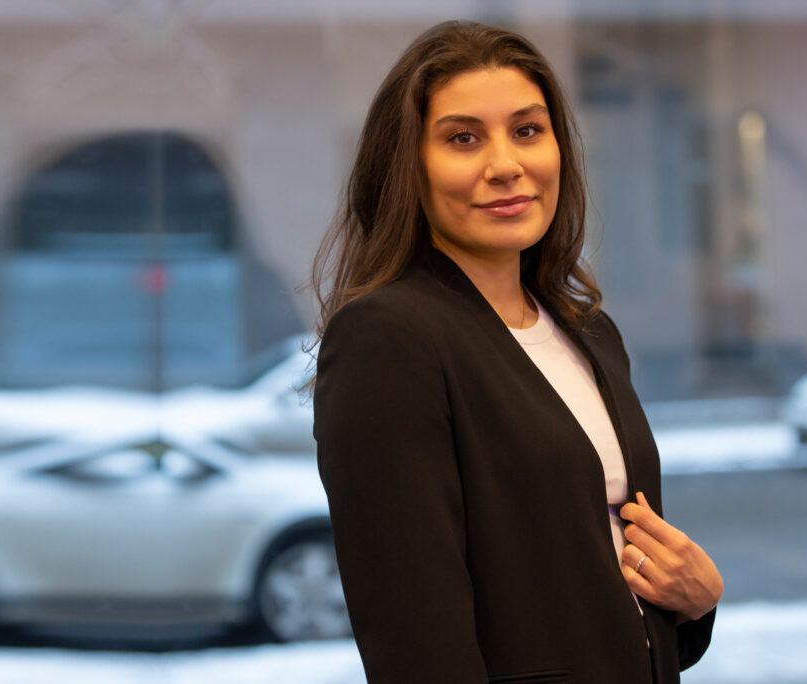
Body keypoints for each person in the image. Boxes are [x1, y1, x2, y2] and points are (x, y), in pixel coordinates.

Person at [309, 20, 722, 684]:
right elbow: (415, 638)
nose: (506, 165)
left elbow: (606, 605)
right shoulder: (386, 339)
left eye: (527, 130)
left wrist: (695, 602)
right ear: (408, 164)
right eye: (463, 138)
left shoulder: (590, 333)